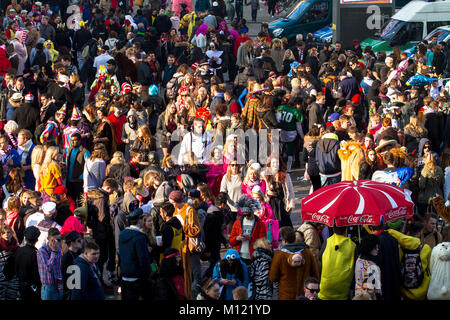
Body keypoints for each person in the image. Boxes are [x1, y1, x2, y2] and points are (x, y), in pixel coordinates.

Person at [269, 226, 319, 300]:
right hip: (305, 294)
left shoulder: (279, 255)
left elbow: (273, 277)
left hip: (286, 295)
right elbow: (315, 274)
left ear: (284, 240)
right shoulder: (307, 253)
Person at [387, 222, 432, 300]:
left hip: (404, 290)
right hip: (422, 290)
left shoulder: (400, 248)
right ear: (420, 233)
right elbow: (429, 269)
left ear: (408, 233)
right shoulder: (426, 248)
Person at [118, 208, 153, 301]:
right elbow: (143, 259)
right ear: (139, 220)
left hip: (125, 276)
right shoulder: (140, 237)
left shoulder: (122, 234)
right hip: (137, 279)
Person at [319, 226, 356, 300]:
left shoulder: (327, 241)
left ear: (333, 229)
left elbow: (319, 257)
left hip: (325, 289)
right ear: (346, 230)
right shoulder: (352, 245)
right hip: (343, 290)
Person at [229, 195, 266, 265]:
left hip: (254, 256)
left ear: (252, 212)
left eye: (248, 215)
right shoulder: (237, 222)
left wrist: (251, 239)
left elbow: (263, 242)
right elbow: (231, 241)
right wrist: (237, 238)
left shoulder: (260, 223)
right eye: (244, 215)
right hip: (239, 256)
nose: (246, 217)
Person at [14, 226, 41, 300]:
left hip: (19, 286)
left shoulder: (19, 251)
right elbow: (36, 275)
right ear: (37, 240)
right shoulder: (35, 254)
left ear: (25, 238)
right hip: (31, 289)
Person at [37, 227, 63, 300]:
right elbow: (48, 268)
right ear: (48, 239)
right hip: (48, 286)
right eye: (52, 240)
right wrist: (53, 252)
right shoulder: (42, 251)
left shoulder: (58, 249)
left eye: (58, 240)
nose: (55, 243)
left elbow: (59, 266)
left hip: (58, 284)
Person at [354, 235, 382, 300]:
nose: (377, 249)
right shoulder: (372, 266)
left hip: (358, 295)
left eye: (378, 247)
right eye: (375, 247)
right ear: (369, 248)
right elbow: (376, 288)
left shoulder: (359, 259)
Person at [61, 231, 83, 300]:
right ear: (72, 243)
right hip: (71, 293)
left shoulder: (77, 254)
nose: (81, 242)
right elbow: (67, 279)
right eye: (78, 240)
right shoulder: (67, 257)